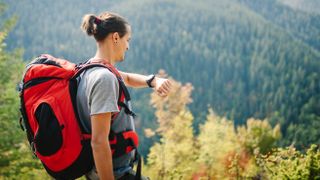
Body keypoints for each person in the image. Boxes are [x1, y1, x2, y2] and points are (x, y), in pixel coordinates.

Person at [77, 12, 171, 180]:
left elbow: (126, 78)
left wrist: (153, 81)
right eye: (127, 40)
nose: (127, 46)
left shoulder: (90, 69)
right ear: (115, 38)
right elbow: (99, 142)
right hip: (114, 174)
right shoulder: (105, 79)